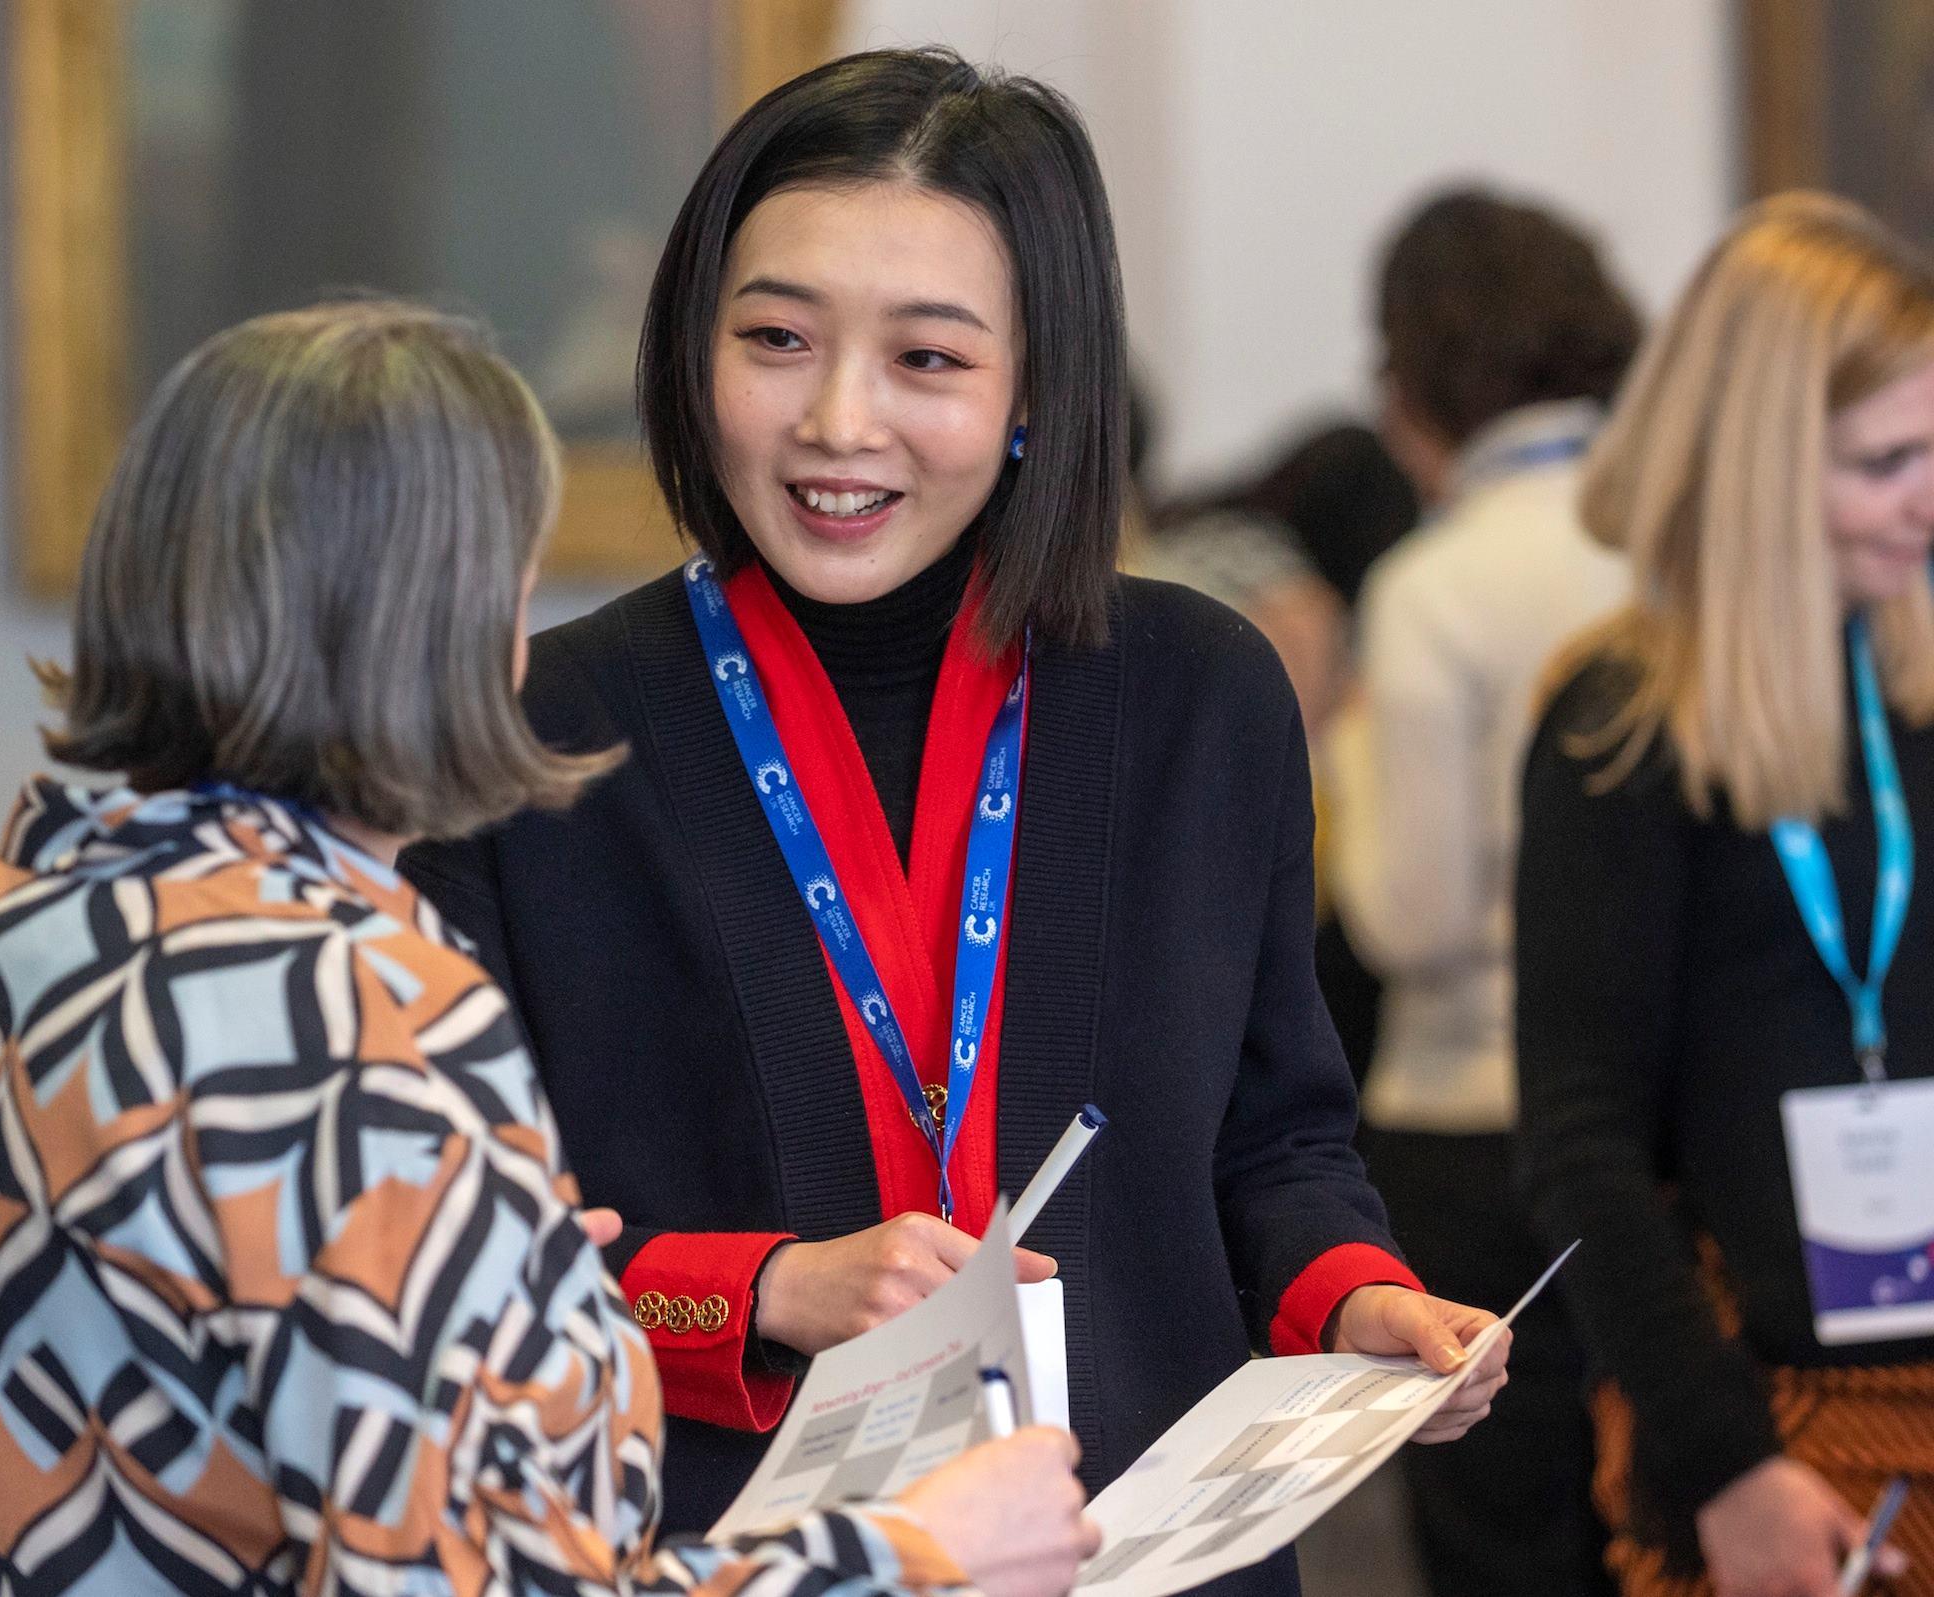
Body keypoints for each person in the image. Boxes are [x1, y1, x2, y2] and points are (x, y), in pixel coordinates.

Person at [403, 49, 1509, 1590]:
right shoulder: (528, 736)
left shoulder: (1204, 695)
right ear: (690, 350)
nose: (838, 421)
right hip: (743, 1550)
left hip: (1150, 1545)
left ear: (1036, 390)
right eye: (777, 339)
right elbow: (463, 1248)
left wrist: (1357, 1295)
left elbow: (1277, 1136)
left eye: (927, 360)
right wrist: (765, 1287)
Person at [0, 300, 1095, 1597]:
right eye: (511, 591)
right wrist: (915, 1553)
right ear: (433, 618)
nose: (519, 649)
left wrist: (511, 1285)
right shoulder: (351, 1003)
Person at [1516, 192, 1934, 1597]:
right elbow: (1581, 1145)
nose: (1929, 496)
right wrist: (1729, 1462)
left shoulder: (1914, 687)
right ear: (1761, 468)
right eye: (1888, 460)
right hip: (1771, 1421)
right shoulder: (1623, 728)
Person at [1326, 187, 1641, 1597]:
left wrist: (1337, 767)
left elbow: (1411, 912)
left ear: (1414, 381)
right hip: (1655, 1115)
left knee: (1505, 1546)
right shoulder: (1674, 551)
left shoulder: (1433, 585)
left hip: (1470, 1122)